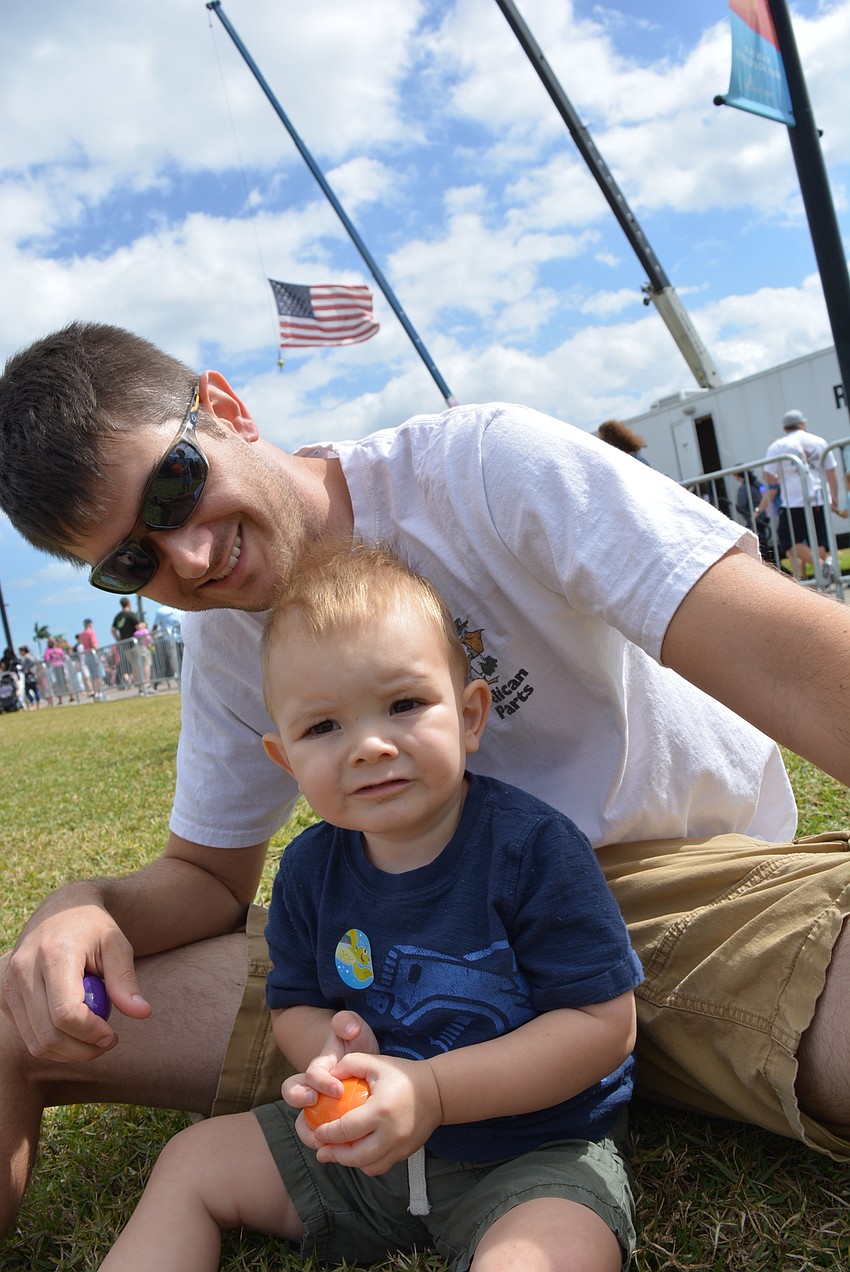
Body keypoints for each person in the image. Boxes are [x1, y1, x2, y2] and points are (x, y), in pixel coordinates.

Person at [4, 323, 850, 1242]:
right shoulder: (225, 645)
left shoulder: (480, 469)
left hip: (674, 898)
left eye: (174, 486)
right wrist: (85, 904)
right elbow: (209, 879)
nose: (190, 560)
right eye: (133, 561)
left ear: (227, 411)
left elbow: (797, 669)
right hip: (394, 964)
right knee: (19, 1014)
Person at [99, 541, 642, 1271]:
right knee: (193, 1160)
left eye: (405, 704)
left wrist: (432, 1092)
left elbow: (603, 1027)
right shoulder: (307, 873)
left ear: (472, 714)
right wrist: (331, 1054)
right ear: (285, 759)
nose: (370, 745)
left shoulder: (534, 849)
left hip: (531, 1156)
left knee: (550, 1251)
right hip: (353, 1156)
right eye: (324, 727)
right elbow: (294, 1004)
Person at [757, 408, 839, 582]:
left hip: (794, 500)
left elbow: (770, 476)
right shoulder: (818, 441)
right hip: (819, 496)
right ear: (802, 423)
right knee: (819, 540)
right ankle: (827, 577)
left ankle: (823, 566)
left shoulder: (778, 446)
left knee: (787, 540)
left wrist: (781, 478)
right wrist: (834, 496)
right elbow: (831, 472)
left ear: (785, 427)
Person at [111, 596, 140, 687]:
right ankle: (142, 685)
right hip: (135, 643)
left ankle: (138, 684)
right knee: (139, 664)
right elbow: (138, 627)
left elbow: (112, 630)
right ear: (129, 603)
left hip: (125, 644)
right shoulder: (131, 614)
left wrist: (119, 639)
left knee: (133, 665)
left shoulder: (118, 617)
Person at [78, 619, 105, 700]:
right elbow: (94, 644)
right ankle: (100, 692)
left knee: (92, 676)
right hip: (93, 654)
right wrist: (99, 653)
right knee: (98, 674)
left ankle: (96, 693)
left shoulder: (82, 634)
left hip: (86, 655)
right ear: (90, 624)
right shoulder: (91, 632)